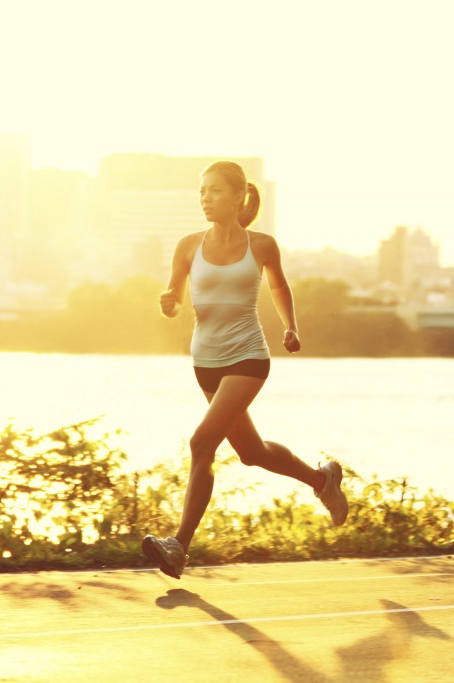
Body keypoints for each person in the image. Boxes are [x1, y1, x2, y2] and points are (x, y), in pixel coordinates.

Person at [142, 160, 348, 579]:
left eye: (215, 191)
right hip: (206, 363)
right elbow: (176, 300)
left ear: (239, 197)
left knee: (202, 443)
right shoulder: (186, 246)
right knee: (251, 454)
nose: (205, 198)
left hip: (247, 358)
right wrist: (169, 304)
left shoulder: (262, 245)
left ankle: (178, 545)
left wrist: (291, 326)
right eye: (201, 191)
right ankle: (321, 480)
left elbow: (278, 285)